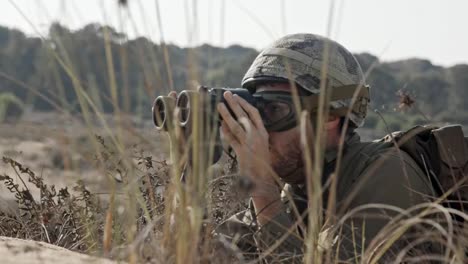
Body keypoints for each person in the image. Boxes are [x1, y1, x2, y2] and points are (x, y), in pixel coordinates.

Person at [212, 33, 436, 263]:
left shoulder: (389, 176)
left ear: (329, 115)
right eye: (257, 112)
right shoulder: (295, 187)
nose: (262, 130)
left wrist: (262, 190)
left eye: (275, 111)